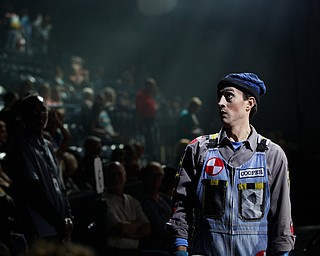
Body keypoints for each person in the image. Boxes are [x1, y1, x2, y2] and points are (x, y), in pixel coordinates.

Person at [166, 73, 295, 256]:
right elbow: (181, 206)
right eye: (219, 97)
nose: (220, 103)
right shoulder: (198, 150)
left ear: (249, 103)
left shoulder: (272, 155)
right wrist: (180, 248)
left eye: (228, 96)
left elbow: (281, 216)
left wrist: (282, 253)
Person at [3, 94, 73, 245]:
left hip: (58, 225)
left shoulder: (48, 145)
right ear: (24, 116)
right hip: (41, 228)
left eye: (42, 110)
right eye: (33, 111)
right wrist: (57, 221)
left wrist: (68, 215)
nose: (39, 115)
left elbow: (59, 186)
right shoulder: (21, 146)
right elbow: (32, 189)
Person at [102, 161, 151, 256]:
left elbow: (147, 228)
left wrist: (127, 232)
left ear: (125, 177)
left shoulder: (132, 200)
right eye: (112, 175)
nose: (116, 178)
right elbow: (120, 229)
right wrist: (136, 225)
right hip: (116, 251)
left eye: (119, 174)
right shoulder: (104, 202)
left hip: (136, 249)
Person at [135, 77, 159, 160]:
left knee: (153, 138)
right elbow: (139, 110)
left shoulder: (150, 95)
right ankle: (149, 156)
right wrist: (142, 123)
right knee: (148, 139)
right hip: (146, 120)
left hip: (152, 120)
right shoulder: (141, 95)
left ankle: (153, 155)